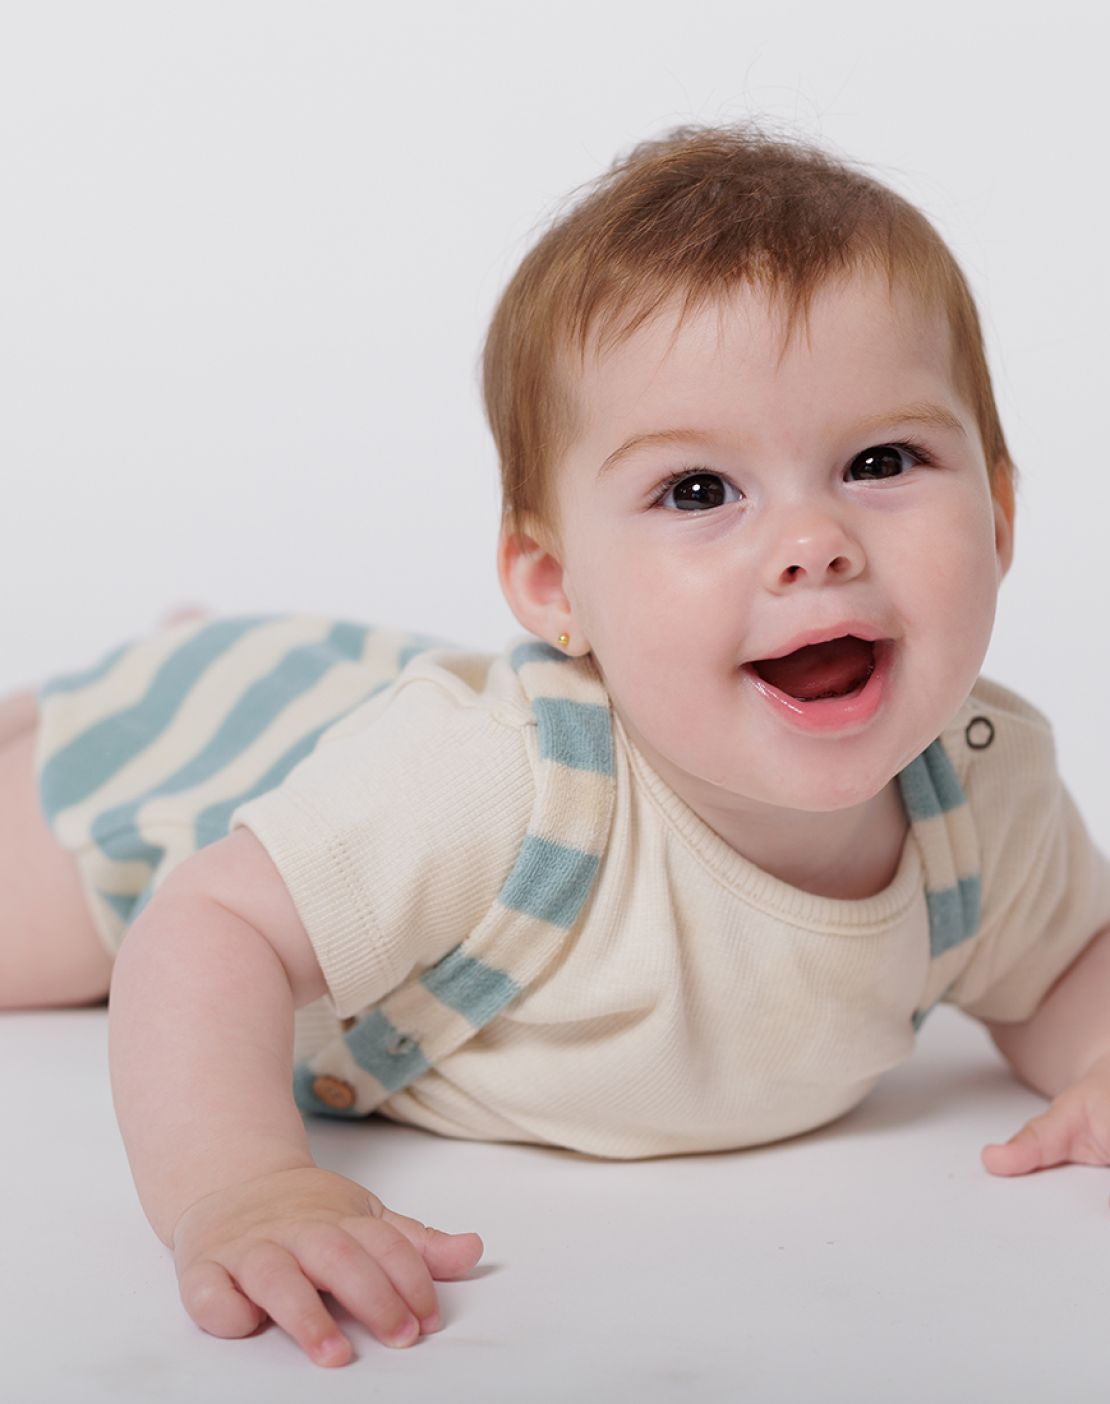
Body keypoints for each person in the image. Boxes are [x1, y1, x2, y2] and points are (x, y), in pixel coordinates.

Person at [5, 122, 1110, 1371]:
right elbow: (210, 926)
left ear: (1002, 515)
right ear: (551, 582)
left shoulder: (981, 790)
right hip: (208, 771)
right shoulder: (502, 784)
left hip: (379, 733)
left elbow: (1068, 965)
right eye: (700, 491)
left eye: (881, 462)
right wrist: (243, 1184)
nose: (814, 541)